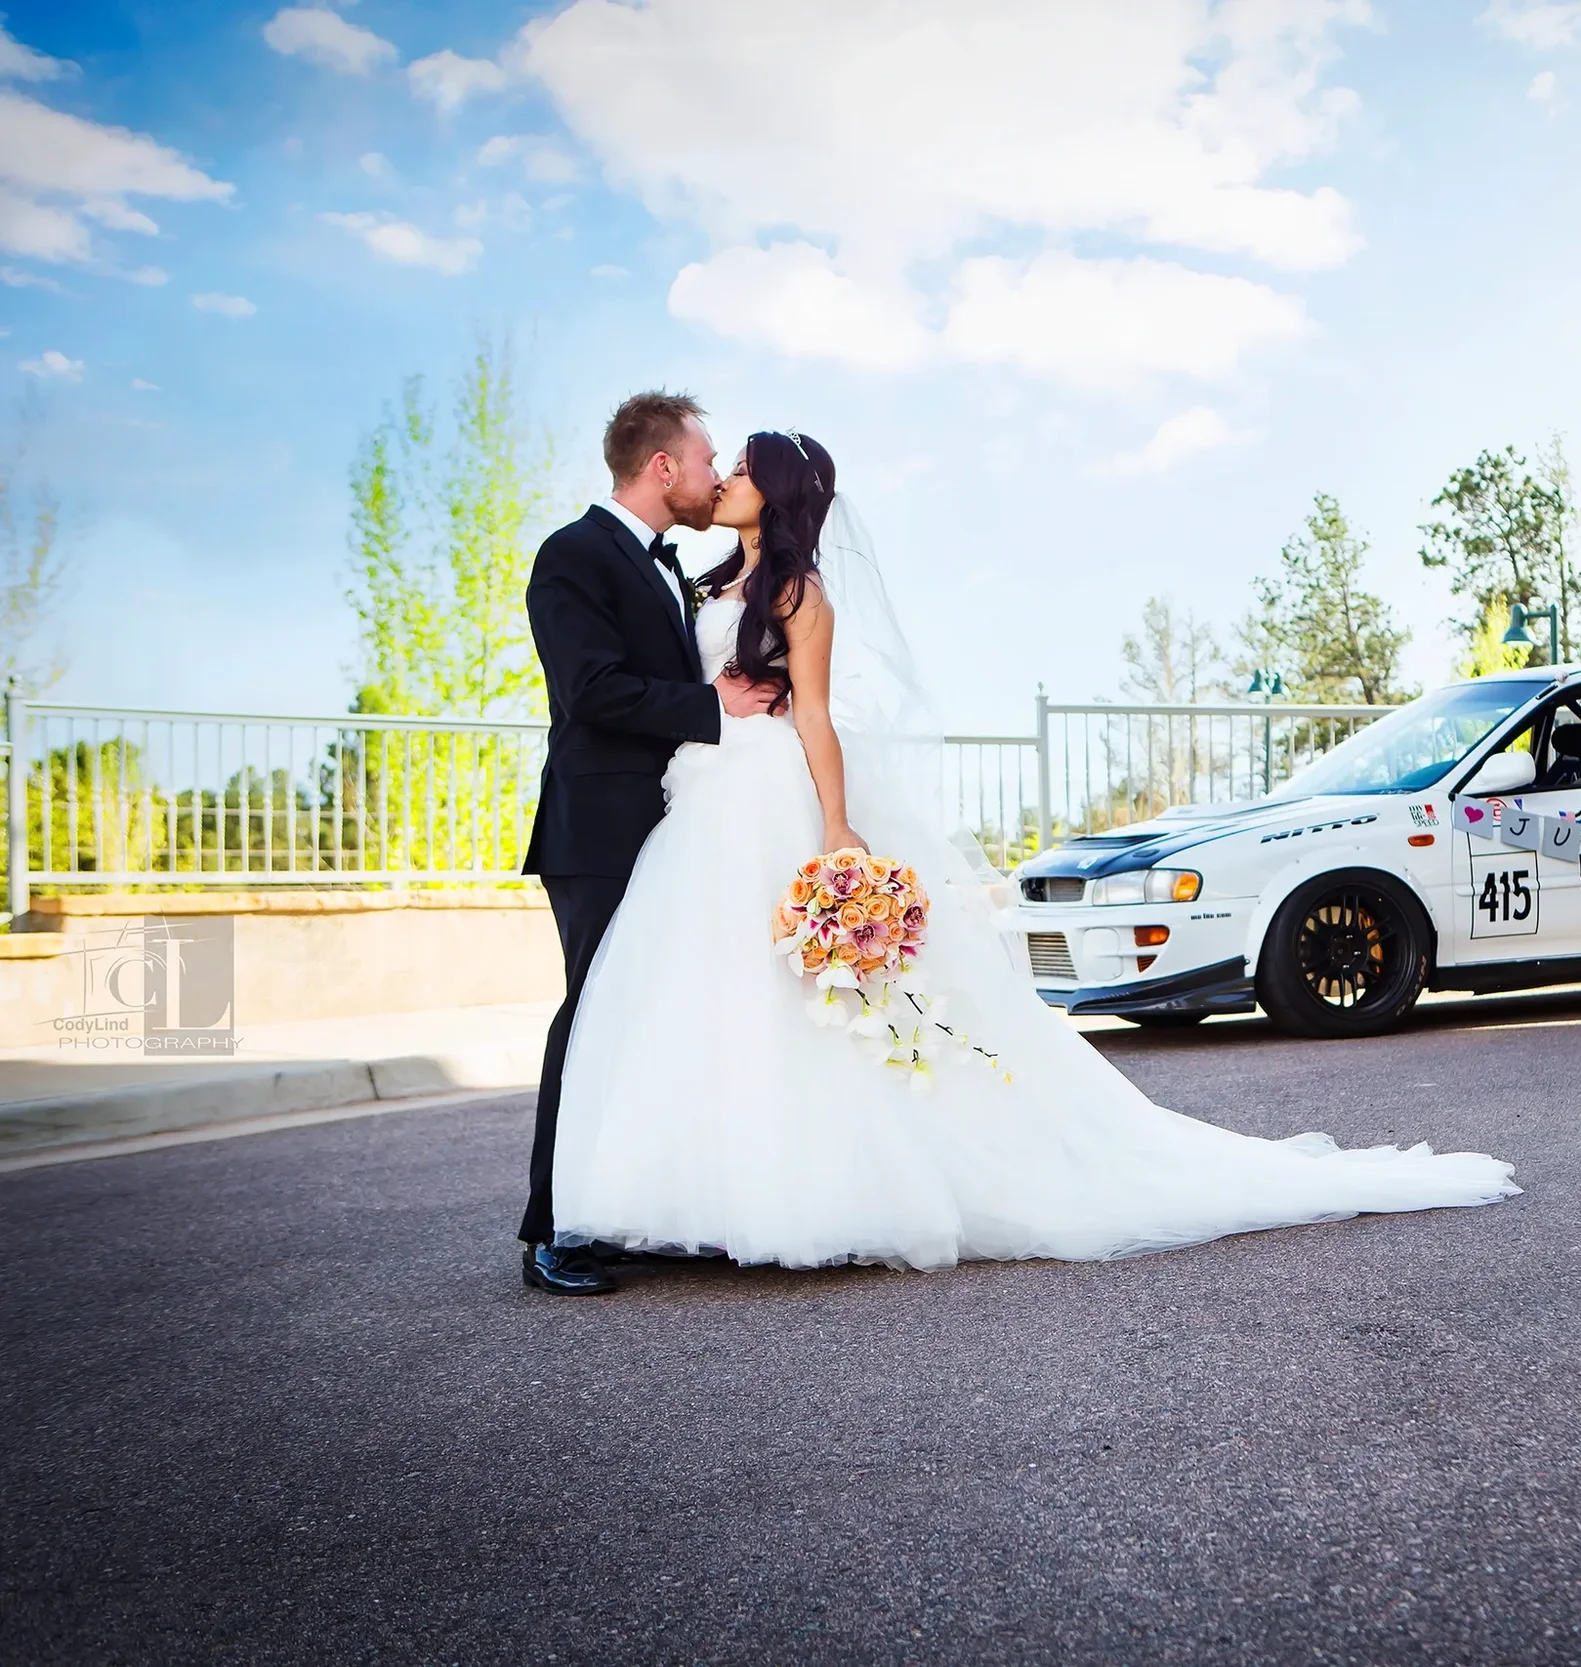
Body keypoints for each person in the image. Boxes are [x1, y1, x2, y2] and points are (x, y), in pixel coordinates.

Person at [538, 428, 1518, 1283]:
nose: (726, 480)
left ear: (779, 493)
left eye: (744, 469)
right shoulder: (708, 578)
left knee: (806, 1006)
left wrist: (836, 826)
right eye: (725, 465)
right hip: (704, 804)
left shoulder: (801, 592)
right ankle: (709, 1191)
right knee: (718, 1000)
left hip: (772, 797)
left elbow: (819, 717)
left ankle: (821, 1189)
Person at [517, 392, 785, 1295]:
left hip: (670, 824)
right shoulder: (573, 555)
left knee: (647, 1016)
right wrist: (715, 708)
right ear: (662, 466)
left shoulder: (674, 569)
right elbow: (590, 689)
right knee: (590, 1016)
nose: (716, 476)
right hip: (595, 828)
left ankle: (618, 1205)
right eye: (708, 459)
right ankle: (552, 1231)